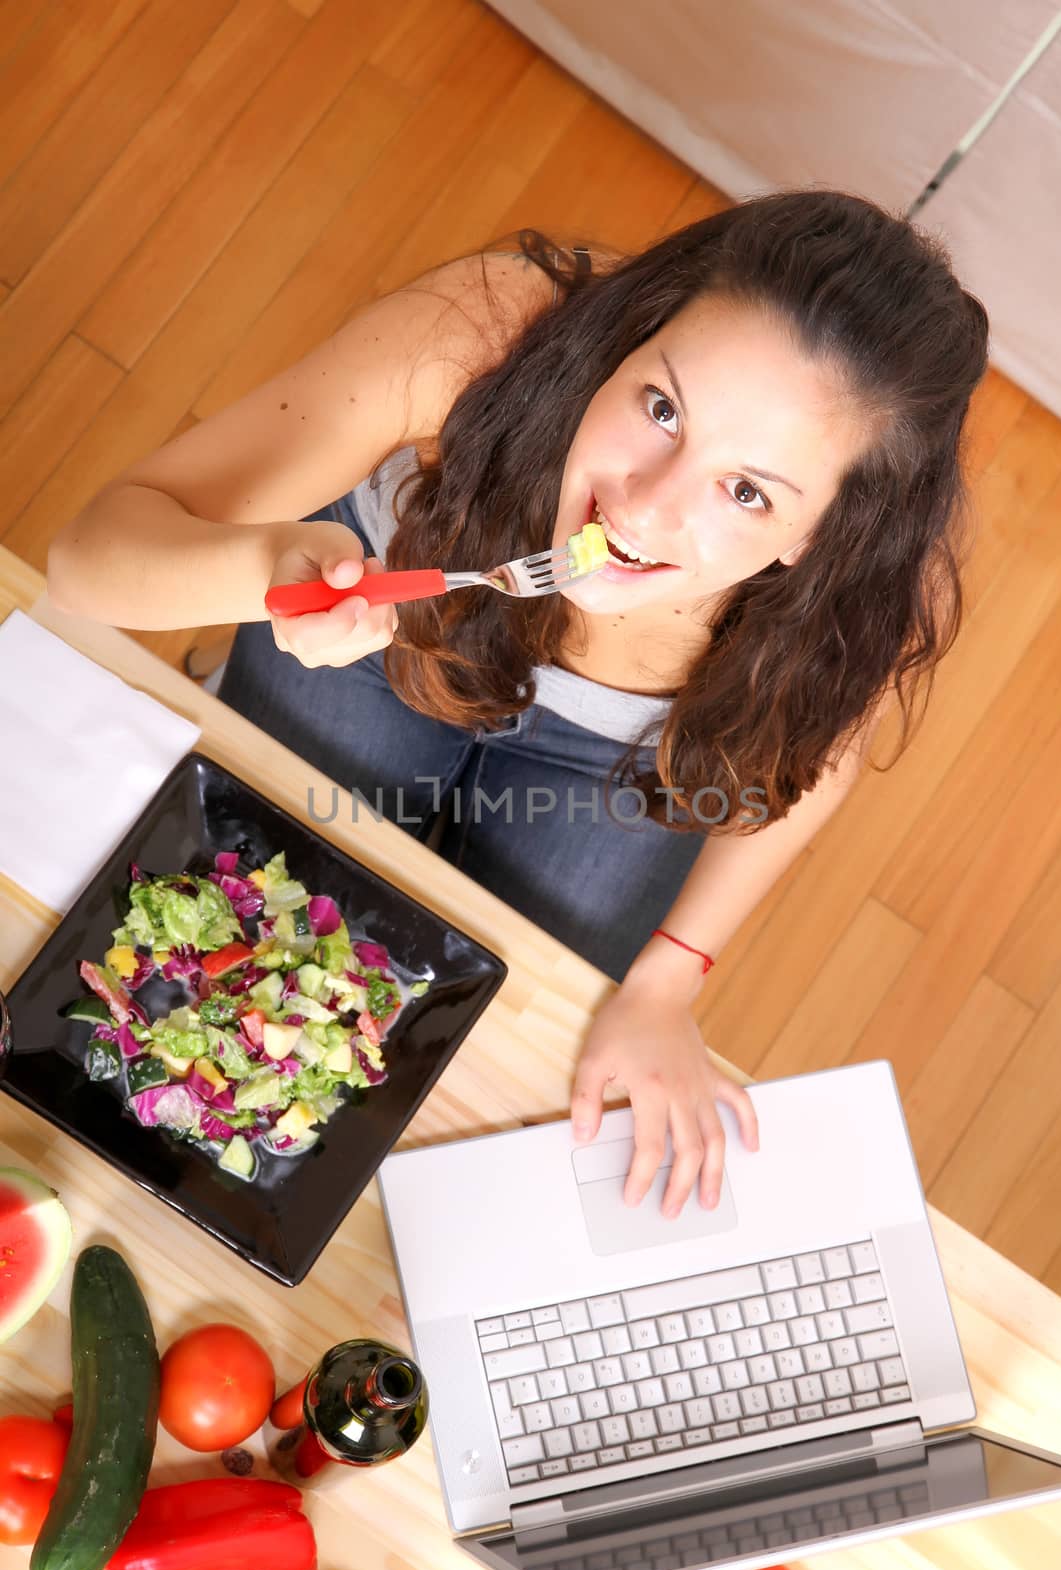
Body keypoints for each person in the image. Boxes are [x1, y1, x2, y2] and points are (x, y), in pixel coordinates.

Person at [47, 190, 989, 1220]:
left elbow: (812, 750)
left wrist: (670, 977)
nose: (644, 503)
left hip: (627, 754)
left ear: (820, 535)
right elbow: (91, 564)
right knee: (250, 888)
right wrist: (267, 572)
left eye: (747, 493)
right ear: (629, 337)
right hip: (385, 637)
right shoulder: (484, 329)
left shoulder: (862, 584)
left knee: (490, 1018)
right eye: (662, 408)